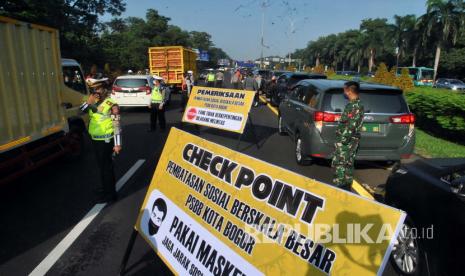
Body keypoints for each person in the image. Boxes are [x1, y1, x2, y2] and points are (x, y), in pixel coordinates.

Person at [79, 81, 122, 203]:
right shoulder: (93, 102)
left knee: (106, 168)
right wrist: (89, 101)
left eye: (97, 90)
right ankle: (106, 189)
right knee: (102, 167)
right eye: (93, 90)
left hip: (106, 140)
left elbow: (117, 125)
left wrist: (117, 143)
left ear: (104, 90)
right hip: (96, 140)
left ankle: (111, 195)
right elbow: (81, 110)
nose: (95, 93)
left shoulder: (112, 104)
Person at [331, 81, 365, 191]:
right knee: (348, 164)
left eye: (344, 90)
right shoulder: (353, 105)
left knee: (340, 163)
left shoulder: (355, 106)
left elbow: (352, 125)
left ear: (349, 91)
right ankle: (346, 188)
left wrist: (343, 140)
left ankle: (340, 187)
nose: (343, 92)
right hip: (349, 140)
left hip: (347, 141)